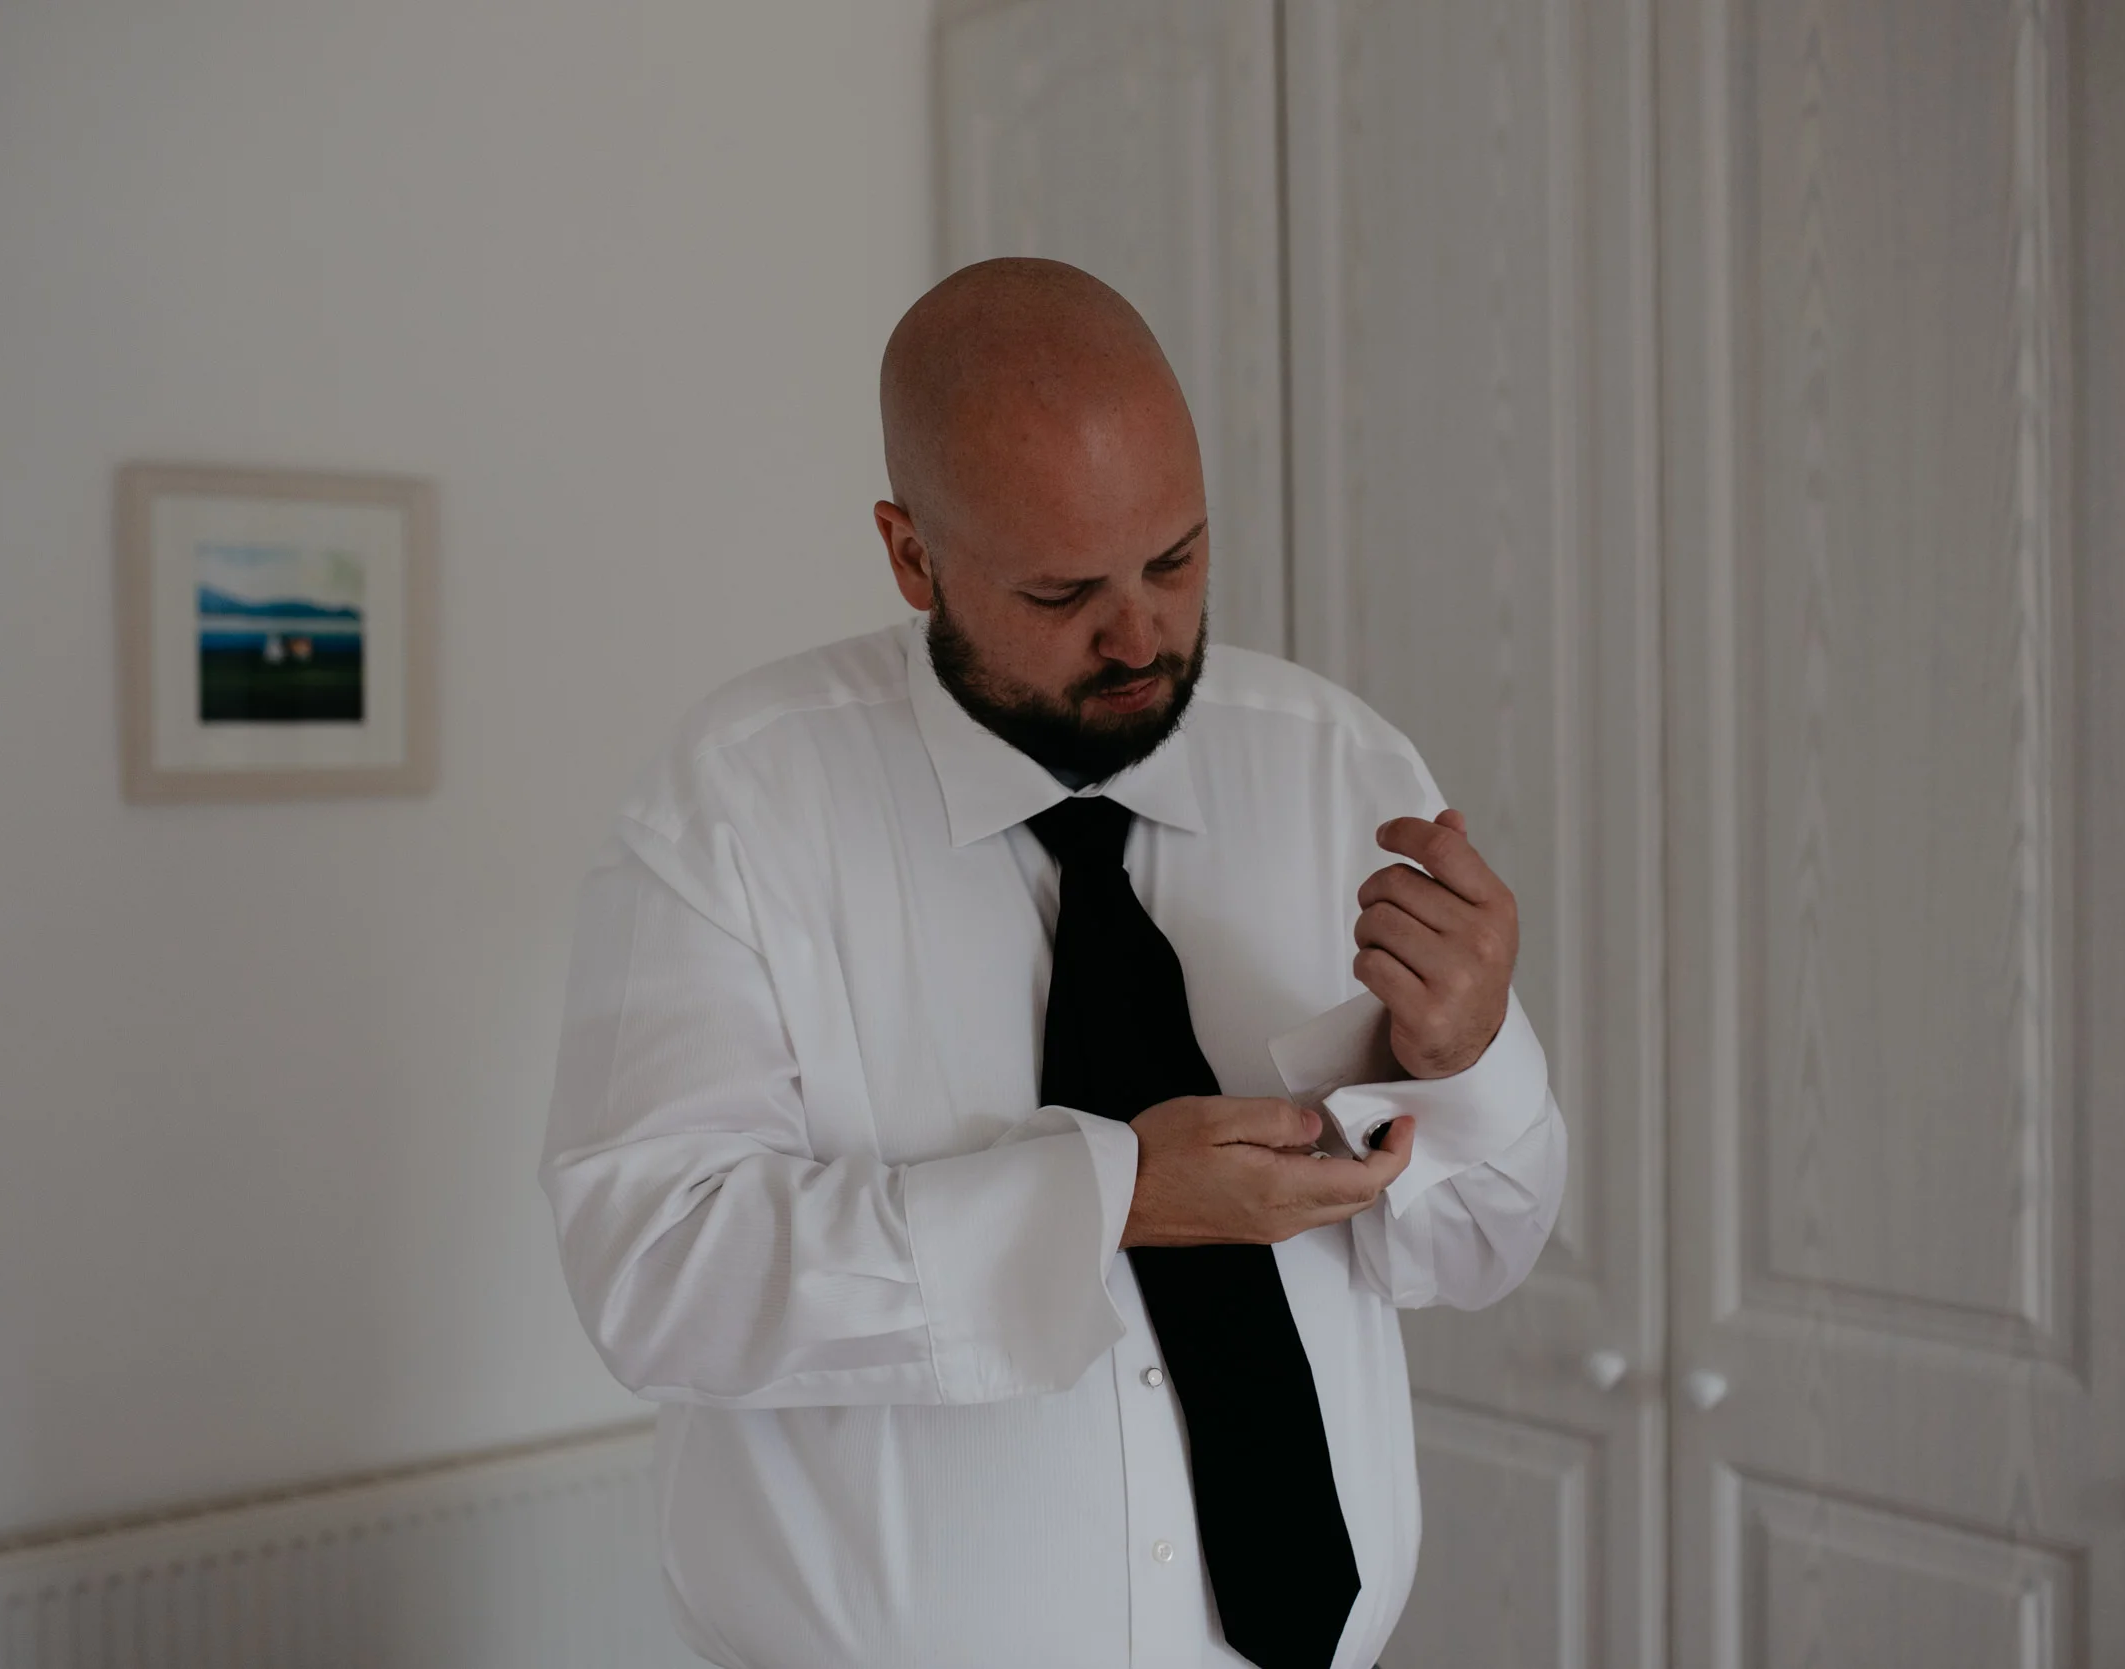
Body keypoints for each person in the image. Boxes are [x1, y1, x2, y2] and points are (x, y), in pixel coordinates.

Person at [540, 257, 1566, 1669]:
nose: (1138, 636)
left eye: (1177, 559)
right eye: (1062, 590)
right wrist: (1116, 1196)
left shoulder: (1341, 766)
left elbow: (1474, 1250)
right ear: (912, 557)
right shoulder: (735, 808)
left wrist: (1472, 1058)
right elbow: (657, 1275)